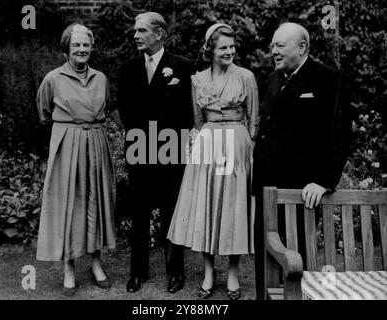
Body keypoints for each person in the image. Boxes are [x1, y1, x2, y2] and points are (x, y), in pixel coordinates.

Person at [252, 22, 352, 299]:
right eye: (272, 45)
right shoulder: (272, 79)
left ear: (302, 47)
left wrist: (323, 181)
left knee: (297, 260)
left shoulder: (328, 78)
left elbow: (340, 135)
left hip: (302, 192)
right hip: (266, 188)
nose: (273, 50)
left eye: (279, 45)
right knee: (266, 259)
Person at [167, 23, 259, 300]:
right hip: (207, 145)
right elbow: (197, 121)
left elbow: (253, 121)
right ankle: (209, 271)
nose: (229, 51)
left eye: (232, 47)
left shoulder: (246, 77)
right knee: (206, 207)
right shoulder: (198, 80)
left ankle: (232, 273)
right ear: (210, 50)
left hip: (237, 144)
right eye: (223, 47)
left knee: (233, 208)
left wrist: (247, 153)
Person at [36, 23, 118, 296]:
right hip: (67, 143)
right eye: (76, 45)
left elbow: (105, 106)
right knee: (68, 204)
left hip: (95, 141)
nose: (82, 49)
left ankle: (96, 263)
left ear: (92, 48)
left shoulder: (101, 79)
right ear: (66, 49)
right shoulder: (53, 79)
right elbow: (44, 111)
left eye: (86, 45)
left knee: (97, 201)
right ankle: (69, 268)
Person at [117, 12, 194, 293]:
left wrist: (173, 142)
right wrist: (141, 139)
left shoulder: (183, 67)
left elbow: (188, 112)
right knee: (139, 211)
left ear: (159, 34)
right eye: (135, 31)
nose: (136, 35)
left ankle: (176, 272)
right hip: (139, 147)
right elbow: (124, 110)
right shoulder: (127, 68)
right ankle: (138, 272)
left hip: (171, 148)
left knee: (172, 212)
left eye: (141, 31)